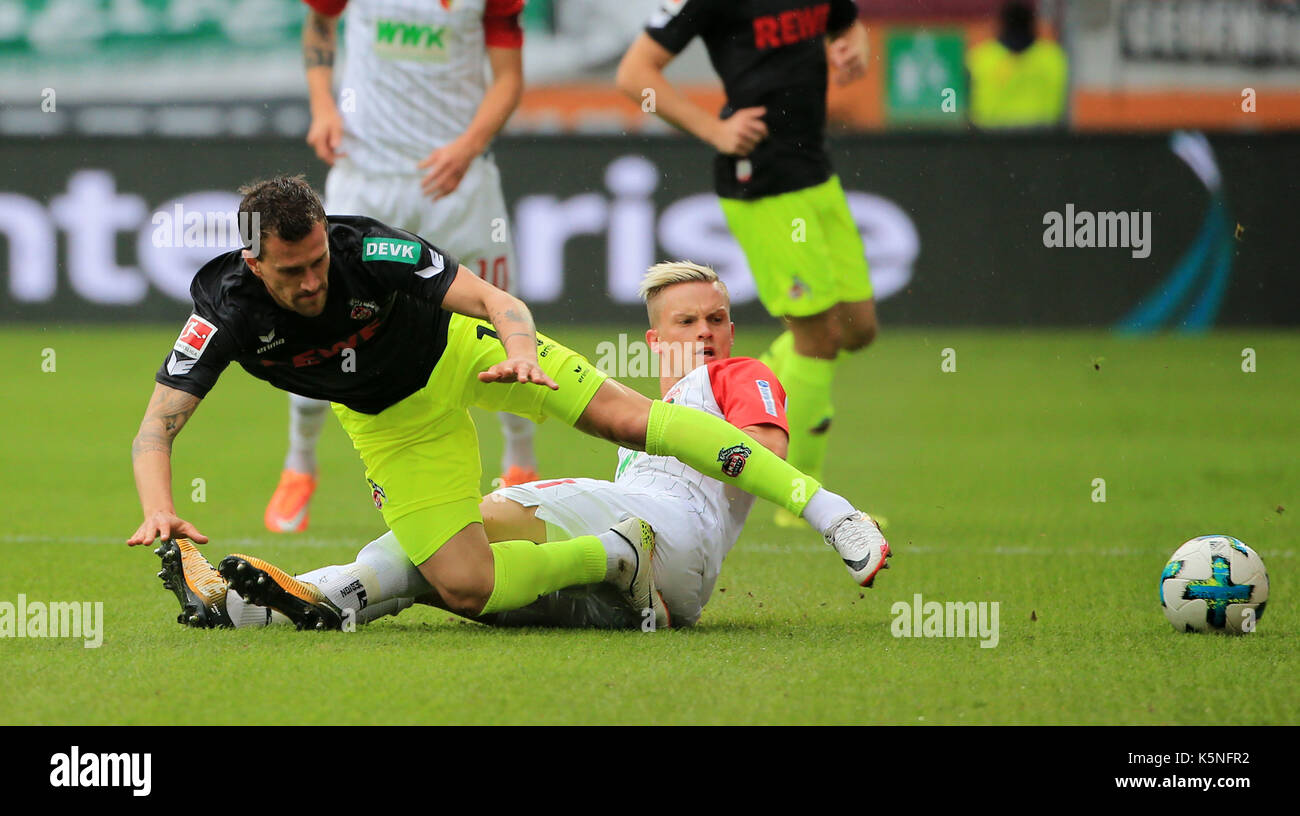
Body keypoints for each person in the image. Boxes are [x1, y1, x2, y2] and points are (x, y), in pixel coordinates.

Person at [131, 176, 889, 632]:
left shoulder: (370, 248)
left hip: (468, 351)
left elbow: (496, 298)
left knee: (624, 416)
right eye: (291, 272)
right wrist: (160, 508)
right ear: (253, 262)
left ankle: (834, 514)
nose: (311, 282)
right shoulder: (223, 313)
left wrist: (520, 350)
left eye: (318, 259)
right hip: (389, 424)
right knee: (466, 585)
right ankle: (611, 558)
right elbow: (156, 429)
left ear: (329, 235)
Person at [264, 0, 538, 535]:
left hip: (459, 181)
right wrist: (322, 105)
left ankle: (520, 461)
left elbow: (508, 80)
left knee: (500, 312)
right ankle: (300, 462)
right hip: (366, 177)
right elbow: (320, 21)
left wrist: (469, 145)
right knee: (322, 317)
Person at [616, 0, 879, 528]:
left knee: (857, 329)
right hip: (761, 180)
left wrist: (856, 46)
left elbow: (845, 21)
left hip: (815, 169)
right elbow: (634, 73)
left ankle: (751, 379)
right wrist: (713, 130)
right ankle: (800, 498)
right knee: (818, 339)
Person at [966, 0, 1068, 130]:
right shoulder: (1054, 58)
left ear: (1001, 24)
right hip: (1042, 141)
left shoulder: (979, 58)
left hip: (991, 141)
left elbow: (960, 108)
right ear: (1033, 24)